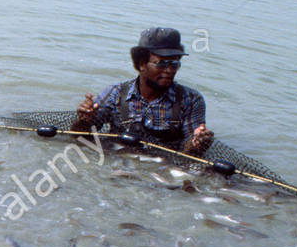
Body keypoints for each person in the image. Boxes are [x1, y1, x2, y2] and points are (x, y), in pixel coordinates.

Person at [73, 27, 214, 156]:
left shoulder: (191, 99)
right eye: (161, 63)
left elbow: (189, 153)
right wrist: (84, 119)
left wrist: (197, 142)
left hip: (163, 164)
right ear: (141, 64)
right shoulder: (116, 93)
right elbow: (80, 136)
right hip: (117, 157)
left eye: (174, 64)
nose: (169, 70)